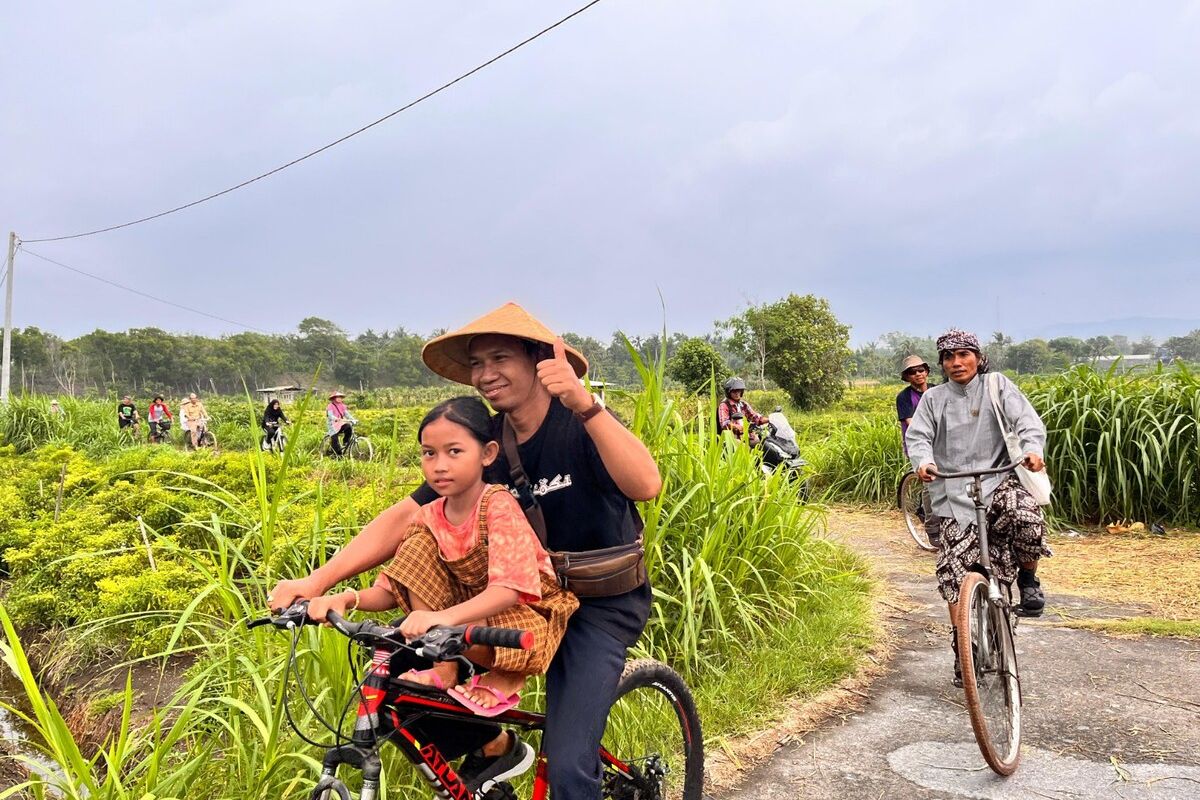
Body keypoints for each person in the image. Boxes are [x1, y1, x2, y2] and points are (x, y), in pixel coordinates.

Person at [275, 302, 661, 798]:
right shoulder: (486, 446)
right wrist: (318, 582)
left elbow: (646, 484)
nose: (485, 374)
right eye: (477, 364)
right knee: (405, 687)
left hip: (599, 606)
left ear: (540, 360)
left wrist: (585, 404)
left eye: (499, 358)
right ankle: (496, 745)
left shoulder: (580, 422)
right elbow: (403, 517)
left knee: (567, 769)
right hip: (523, 605)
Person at [310, 396, 578, 719]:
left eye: (454, 452)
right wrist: (345, 598)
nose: (439, 466)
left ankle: (509, 674)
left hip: (526, 619)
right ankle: (444, 668)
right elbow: (393, 589)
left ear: (487, 454)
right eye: (429, 453)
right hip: (462, 621)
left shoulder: (498, 504)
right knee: (417, 544)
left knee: (464, 623)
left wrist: (445, 618)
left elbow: (509, 590)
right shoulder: (429, 515)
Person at [905, 328, 1051, 685]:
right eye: (949, 357)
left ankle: (1029, 580)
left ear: (978, 357)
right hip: (953, 495)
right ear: (941, 364)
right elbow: (918, 437)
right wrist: (922, 462)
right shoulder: (934, 399)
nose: (957, 363)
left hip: (999, 482)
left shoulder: (997, 385)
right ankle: (964, 650)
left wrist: (1033, 451)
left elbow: (1028, 423)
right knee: (954, 576)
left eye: (964, 354)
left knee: (1026, 515)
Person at [896, 355, 940, 546]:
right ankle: (932, 529)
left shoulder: (938, 390)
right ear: (907, 377)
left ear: (927, 371)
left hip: (942, 441)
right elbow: (912, 424)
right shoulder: (904, 397)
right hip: (919, 444)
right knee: (932, 483)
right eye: (913, 372)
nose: (918, 374)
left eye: (921, 370)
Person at [717, 377, 768, 443]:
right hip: (732, 438)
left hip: (746, 436)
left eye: (739, 390)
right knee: (743, 447)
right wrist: (737, 427)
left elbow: (755, 417)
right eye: (734, 391)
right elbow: (724, 423)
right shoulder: (724, 405)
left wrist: (770, 420)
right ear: (728, 392)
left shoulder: (743, 404)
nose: (737, 393)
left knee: (762, 442)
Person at [325, 391, 357, 456]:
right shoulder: (330, 406)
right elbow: (330, 415)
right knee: (335, 440)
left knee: (348, 426)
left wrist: (353, 419)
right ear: (334, 398)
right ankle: (338, 455)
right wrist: (336, 418)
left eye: (340, 397)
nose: (339, 398)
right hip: (332, 424)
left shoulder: (342, 406)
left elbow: (347, 414)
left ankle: (345, 441)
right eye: (338, 397)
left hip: (340, 423)